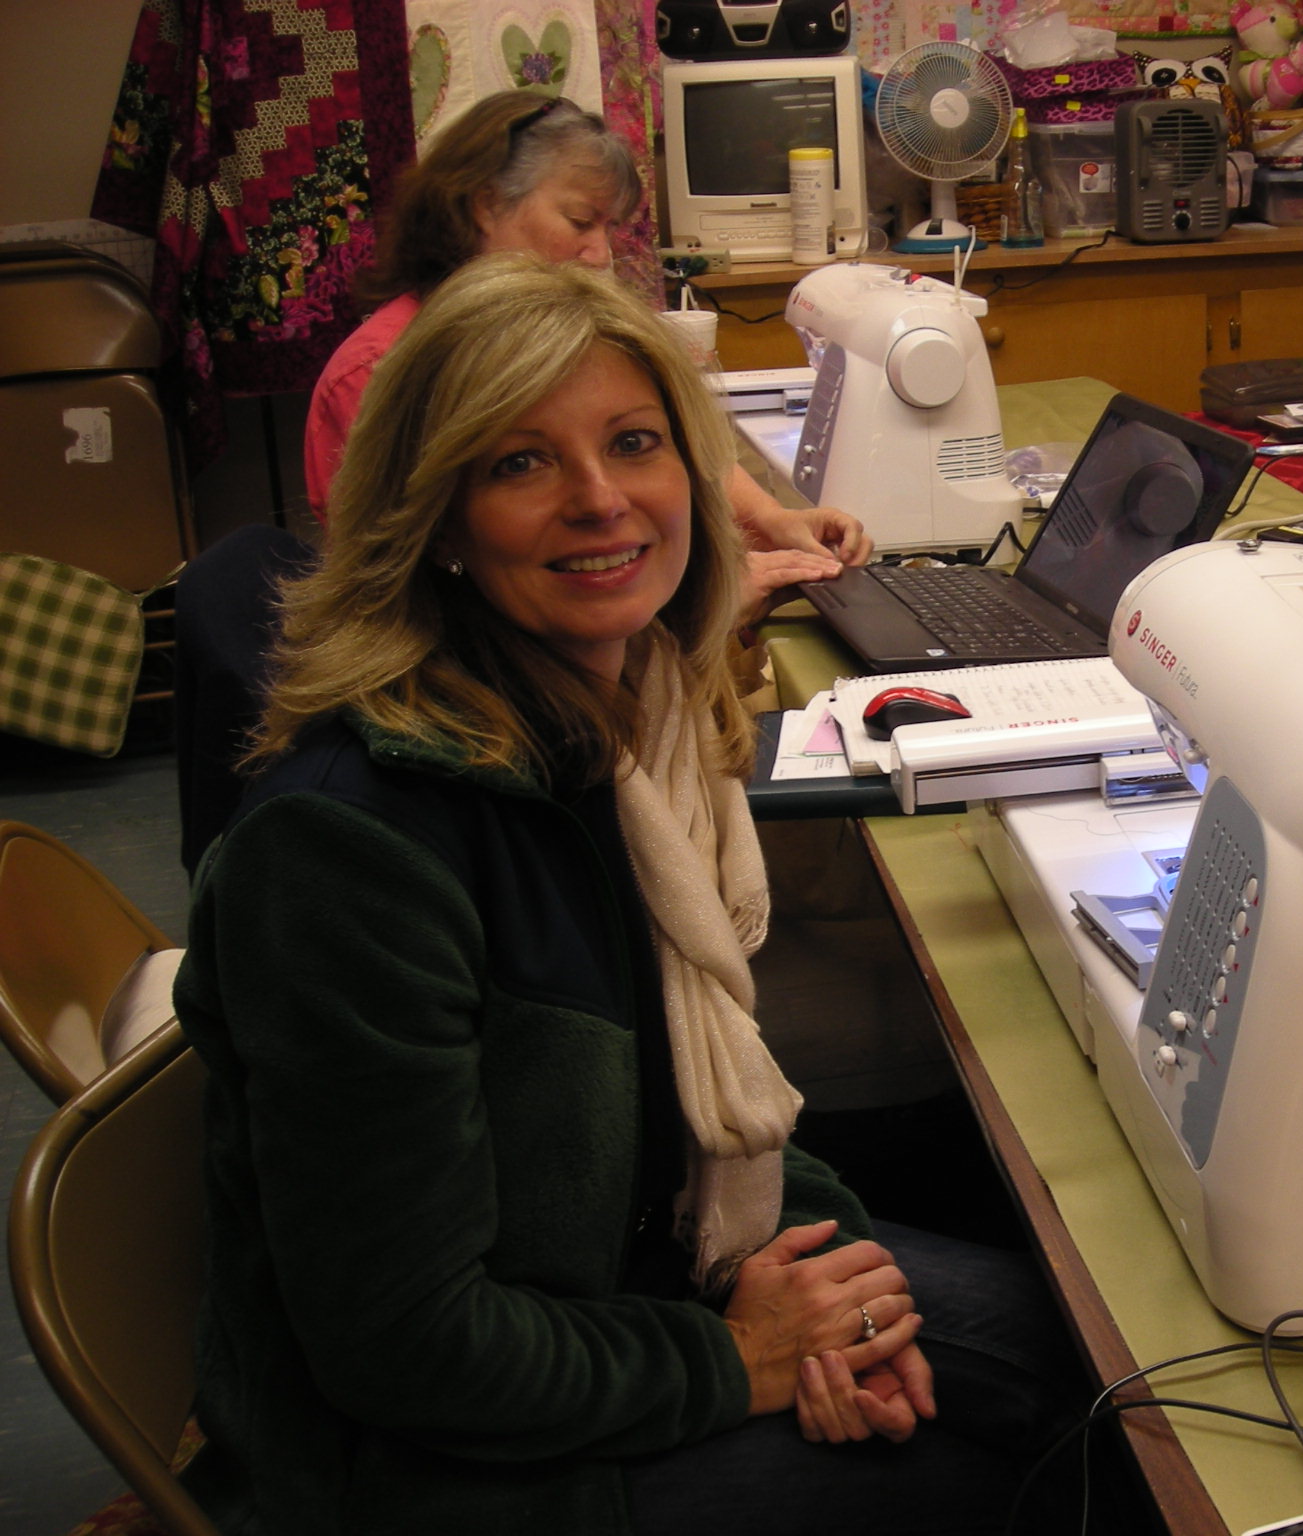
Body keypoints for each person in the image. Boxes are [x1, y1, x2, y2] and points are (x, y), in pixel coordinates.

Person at [174, 253, 1078, 1534]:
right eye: (519, 462)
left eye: (634, 443)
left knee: (1063, 1360)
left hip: (635, 1272)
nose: (601, 500)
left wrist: (838, 1300)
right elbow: (405, 1344)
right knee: (1046, 1460)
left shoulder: (618, 729)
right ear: (435, 520)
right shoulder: (350, 852)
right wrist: (741, 1361)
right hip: (427, 1466)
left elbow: (702, 1110)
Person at [304, 90, 872, 613]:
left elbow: (670, 449)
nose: (600, 255)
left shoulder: (563, 342)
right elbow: (412, 597)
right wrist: (696, 599)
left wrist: (771, 520)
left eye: (608, 229)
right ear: (485, 205)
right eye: (579, 222)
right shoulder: (380, 373)